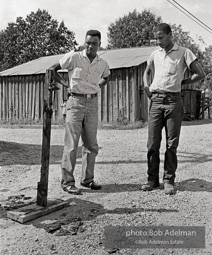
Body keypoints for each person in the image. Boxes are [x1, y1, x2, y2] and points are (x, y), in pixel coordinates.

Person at [142, 23, 205, 195]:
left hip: (173, 102)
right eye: (156, 38)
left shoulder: (184, 52)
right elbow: (147, 72)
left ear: (170, 35)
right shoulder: (155, 54)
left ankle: (169, 180)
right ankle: (152, 180)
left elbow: (200, 73)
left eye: (161, 37)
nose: (158, 41)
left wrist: (182, 83)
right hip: (155, 101)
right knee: (152, 143)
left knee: (172, 143)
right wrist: (147, 87)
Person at [53, 30, 110, 194]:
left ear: (99, 44)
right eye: (88, 43)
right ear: (85, 43)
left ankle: (87, 180)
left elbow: (107, 76)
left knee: (91, 144)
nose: (91, 46)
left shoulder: (102, 63)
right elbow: (53, 70)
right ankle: (67, 182)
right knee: (71, 144)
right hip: (75, 102)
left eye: (94, 43)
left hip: (92, 102)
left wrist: (97, 85)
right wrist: (65, 85)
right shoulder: (74, 57)